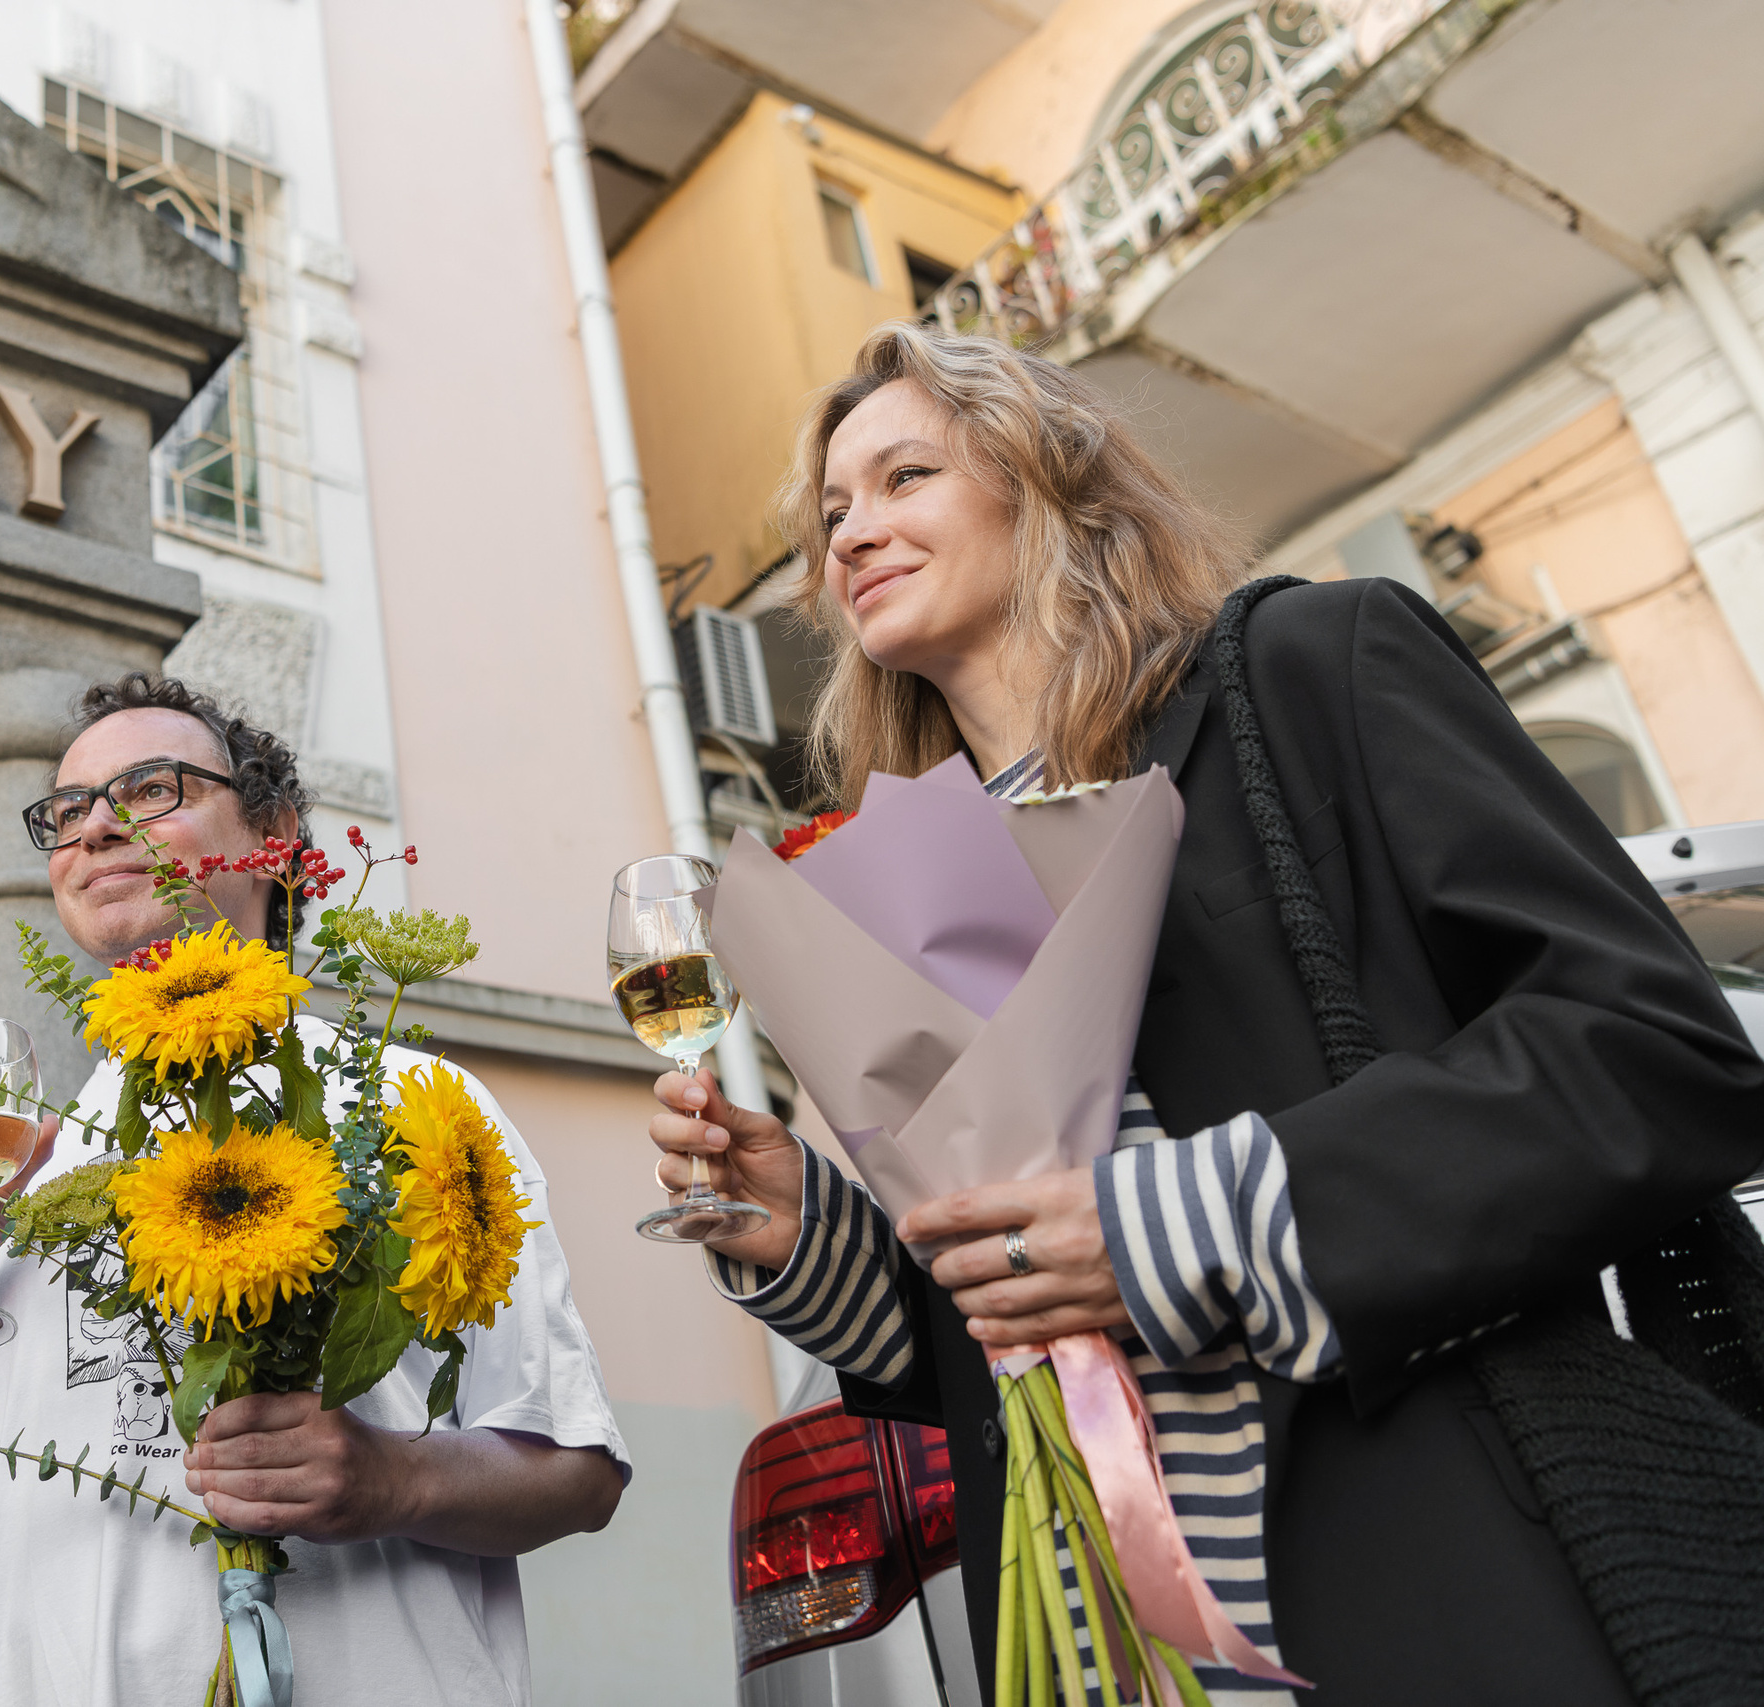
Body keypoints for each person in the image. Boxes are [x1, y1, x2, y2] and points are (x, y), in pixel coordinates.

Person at [646, 324, 1764, 1704]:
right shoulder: (903, 886)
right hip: (1101, 1653)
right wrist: (811, 1239)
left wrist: (1167, 1229)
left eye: (905, 477)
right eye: (830, 514)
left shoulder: (1309, 671)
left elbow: (1656, 1051)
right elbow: (1010, 1331)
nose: (850, 534)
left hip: (1430, 1595)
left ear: (1047, 479)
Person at [0, 672, 627, 1707]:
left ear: (271, 837)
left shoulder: (416, 1104)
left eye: (150, 789)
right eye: (66, 810)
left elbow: (580, 1475)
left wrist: (392, 1479)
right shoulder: (29, 1173)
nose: (94, 829)